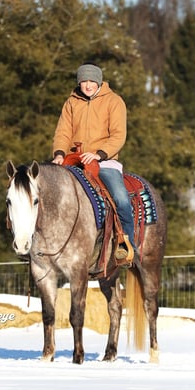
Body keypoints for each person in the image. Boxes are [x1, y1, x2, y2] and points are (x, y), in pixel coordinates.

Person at [51, 63, 136, 261]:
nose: (87, 85)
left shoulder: (114, 101)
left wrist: (99, 154)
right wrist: (59, 154)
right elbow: (63, 132)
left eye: (91, 81)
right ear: (79, 83)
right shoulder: (71, 103)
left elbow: (118, 135)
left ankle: (126, 244)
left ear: (98, 82)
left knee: (121, 199)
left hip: (104, 161)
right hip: (74, 160)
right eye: (83, 81)